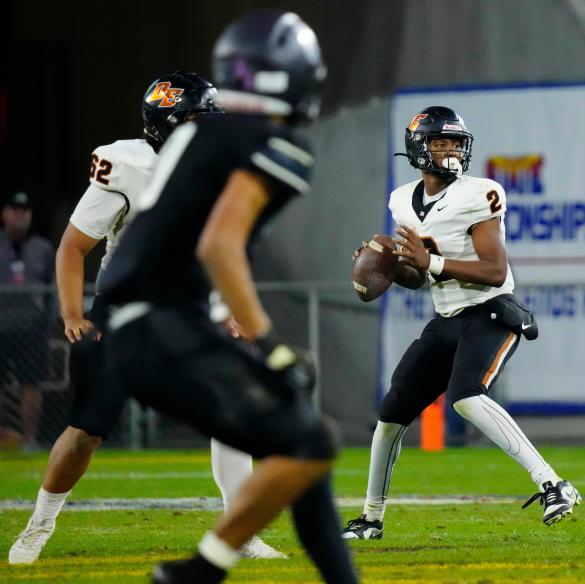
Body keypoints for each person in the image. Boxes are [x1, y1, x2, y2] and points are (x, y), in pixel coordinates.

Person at [96, 11, 356, 583]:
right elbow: (219, 245)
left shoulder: (193, 133)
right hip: (163, 327)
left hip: (138, 327)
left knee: (302, 444)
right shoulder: (273, 144)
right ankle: (201, 572)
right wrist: (270, 342)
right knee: (309, 437)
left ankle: (210, 572)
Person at [8, 73, 286, 564]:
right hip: (125, 311)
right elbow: (74, 247)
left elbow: (220, 250)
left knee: (234, 413)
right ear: (167, 122)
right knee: (86, 431)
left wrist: (231, 311)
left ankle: (240, 531)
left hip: (189, 309)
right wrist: (73, 313)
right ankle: (40, 523)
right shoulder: (127, 163)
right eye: (198, 118)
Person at [342, 106, 580, 541]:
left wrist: (428, 261)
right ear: (419, 148)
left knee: (466, 396)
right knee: (392, 413)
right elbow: (418, 277)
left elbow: (492, 269)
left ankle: (553, 484)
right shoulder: (402, 199)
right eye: (440, 142)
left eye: (456, 142)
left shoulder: (479, 193)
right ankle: (370, 519)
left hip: (491, 309)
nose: (450, 150)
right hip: (447, 315)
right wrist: (393, 267)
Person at [0, 192, 54, 449]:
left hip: (32, 327)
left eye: (25, 209)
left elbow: (53, 287)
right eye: (15, 208)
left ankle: (30, 440)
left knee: (32, 383)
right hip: (1, 324)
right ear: (5, 213)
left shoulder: (42, 248)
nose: (20, 213)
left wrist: (52, 320)